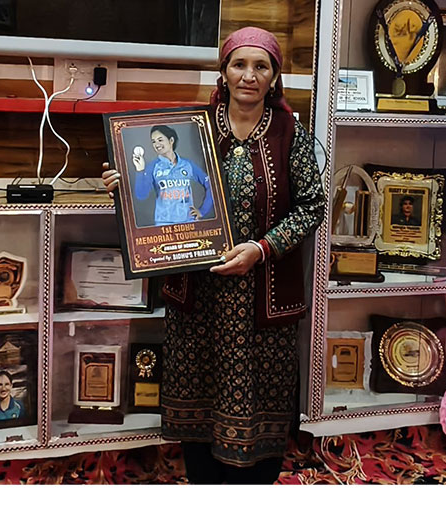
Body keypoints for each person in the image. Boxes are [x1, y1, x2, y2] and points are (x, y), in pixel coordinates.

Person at [102, 27, 324, 485]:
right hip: (199, 297)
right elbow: (154, 192)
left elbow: (312, 206)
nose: (249, 75)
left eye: (261, 66)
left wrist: (261, 249)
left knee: (262, 401)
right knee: (199, 400)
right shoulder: (190, 128)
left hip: (262, 298)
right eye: (239, 64)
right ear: (223, 72)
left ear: (275, 75)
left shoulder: (289, 133)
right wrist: (124, 182)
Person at [126, 124, 214, 225]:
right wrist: (140, 170)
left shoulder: (187, 165)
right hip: (164, 224)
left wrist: (202, 211)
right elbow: (141, 195)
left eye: (160, 140)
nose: (156, 144)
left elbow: (211, 185)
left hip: (189, 223)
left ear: (171, 140)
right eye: (153, 141)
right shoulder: (153, 167)